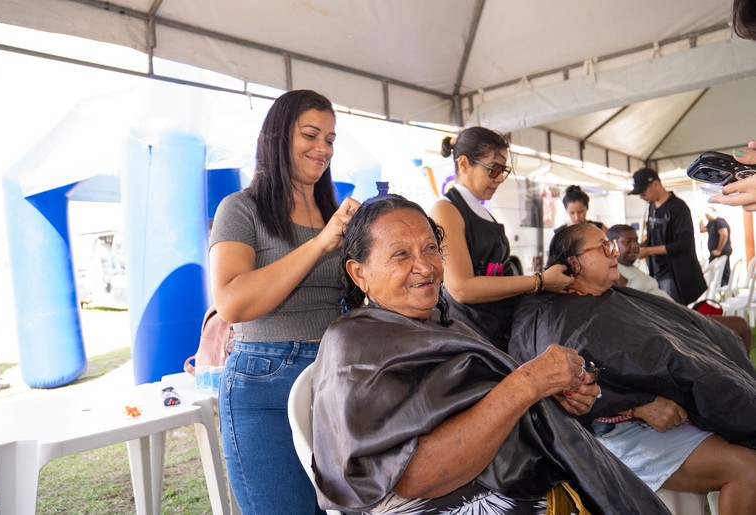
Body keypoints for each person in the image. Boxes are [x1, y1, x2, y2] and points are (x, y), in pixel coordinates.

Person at [310, 195, 670, 515]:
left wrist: (554, 395)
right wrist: (528, 384)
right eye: (401, 254)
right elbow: (414, 477)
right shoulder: (353, 345)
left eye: (431, 248)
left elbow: (482, 403)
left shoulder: (440, 322)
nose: (425, 266)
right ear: (360, 274)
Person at [509, 223, 756, 515]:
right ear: (574, 262)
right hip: (612, 434)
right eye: (603, 247)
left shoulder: (615, 298)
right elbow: (565, 397)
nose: (613, 252)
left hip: (664, 411)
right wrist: (638, 407)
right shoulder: (552, 316)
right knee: (748, 470)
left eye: (611, 245)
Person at [209, 89, 361, 514]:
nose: (323, 148)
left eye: (330, 139)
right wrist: (320, 244)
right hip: (264, 381)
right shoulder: (240, 209)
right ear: (276, 137)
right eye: (310, 134)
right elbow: (232, 304)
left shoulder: (338, 213)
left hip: (336, 375)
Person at [429, 127, 572, 350]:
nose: (499, 179)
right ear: (464, 164)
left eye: (503, 171)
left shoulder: (478, 209)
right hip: (472, 337)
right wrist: (540, 280)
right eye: (493, 169)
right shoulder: (446, 211)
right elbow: (461, 288)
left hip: (496, 329)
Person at [608, 223, 751, 353]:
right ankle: (745, 376)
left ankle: (739, 374)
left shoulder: (630, 267)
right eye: (628, 242)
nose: (634, 245)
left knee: (739, 327)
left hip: (680, 316)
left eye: (635, 240)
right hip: (673, 323)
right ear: (613, 246)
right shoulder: (616, 272)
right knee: (741, 326)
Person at [628, 167, 707, 304]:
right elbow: (655, 236)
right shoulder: (652, 207)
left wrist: (648, 251)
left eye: (643, 192)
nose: (641, 196)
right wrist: (643, 245)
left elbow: (684, 244)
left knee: (673, 313)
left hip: (675, 273)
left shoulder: (679, 207)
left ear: (656, 184)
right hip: (657, 270)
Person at [699, 206, 732, 286]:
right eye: (705, 215)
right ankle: (717, 288)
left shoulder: (719, 221)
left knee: (724, 273)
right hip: (714, 253)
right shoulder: (711, 223)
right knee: (713, 272)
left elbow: (724, 234)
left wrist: (719, 250)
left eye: (708, 214)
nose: (707, 216)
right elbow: (702, 230)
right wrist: (700, 220)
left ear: (714, 212)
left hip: (722, 252)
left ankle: (725, 289)